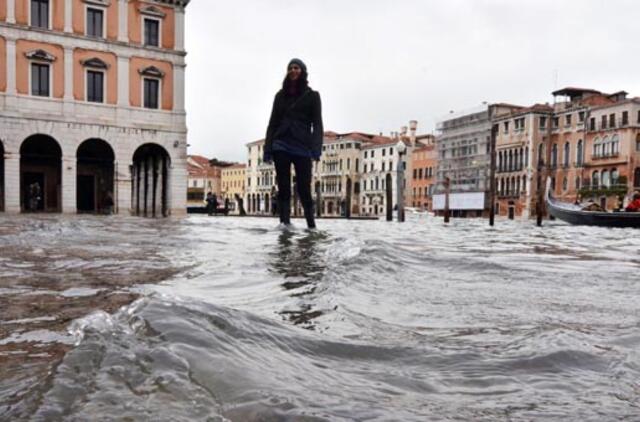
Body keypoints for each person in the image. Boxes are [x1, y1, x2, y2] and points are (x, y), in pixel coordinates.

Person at [264, 58, 323, 229]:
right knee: (284, 187)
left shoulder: (313, 96)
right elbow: (272, 123)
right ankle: (285, 225)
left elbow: (317, 124)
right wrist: (268, 150)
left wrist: (316, 149)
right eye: (290, 68)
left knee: (304, 187)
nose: (293, 70)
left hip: (302, 146)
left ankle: (311, 226)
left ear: (303, 71)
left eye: (296, 68)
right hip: (281, 144)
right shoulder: (280, 96)